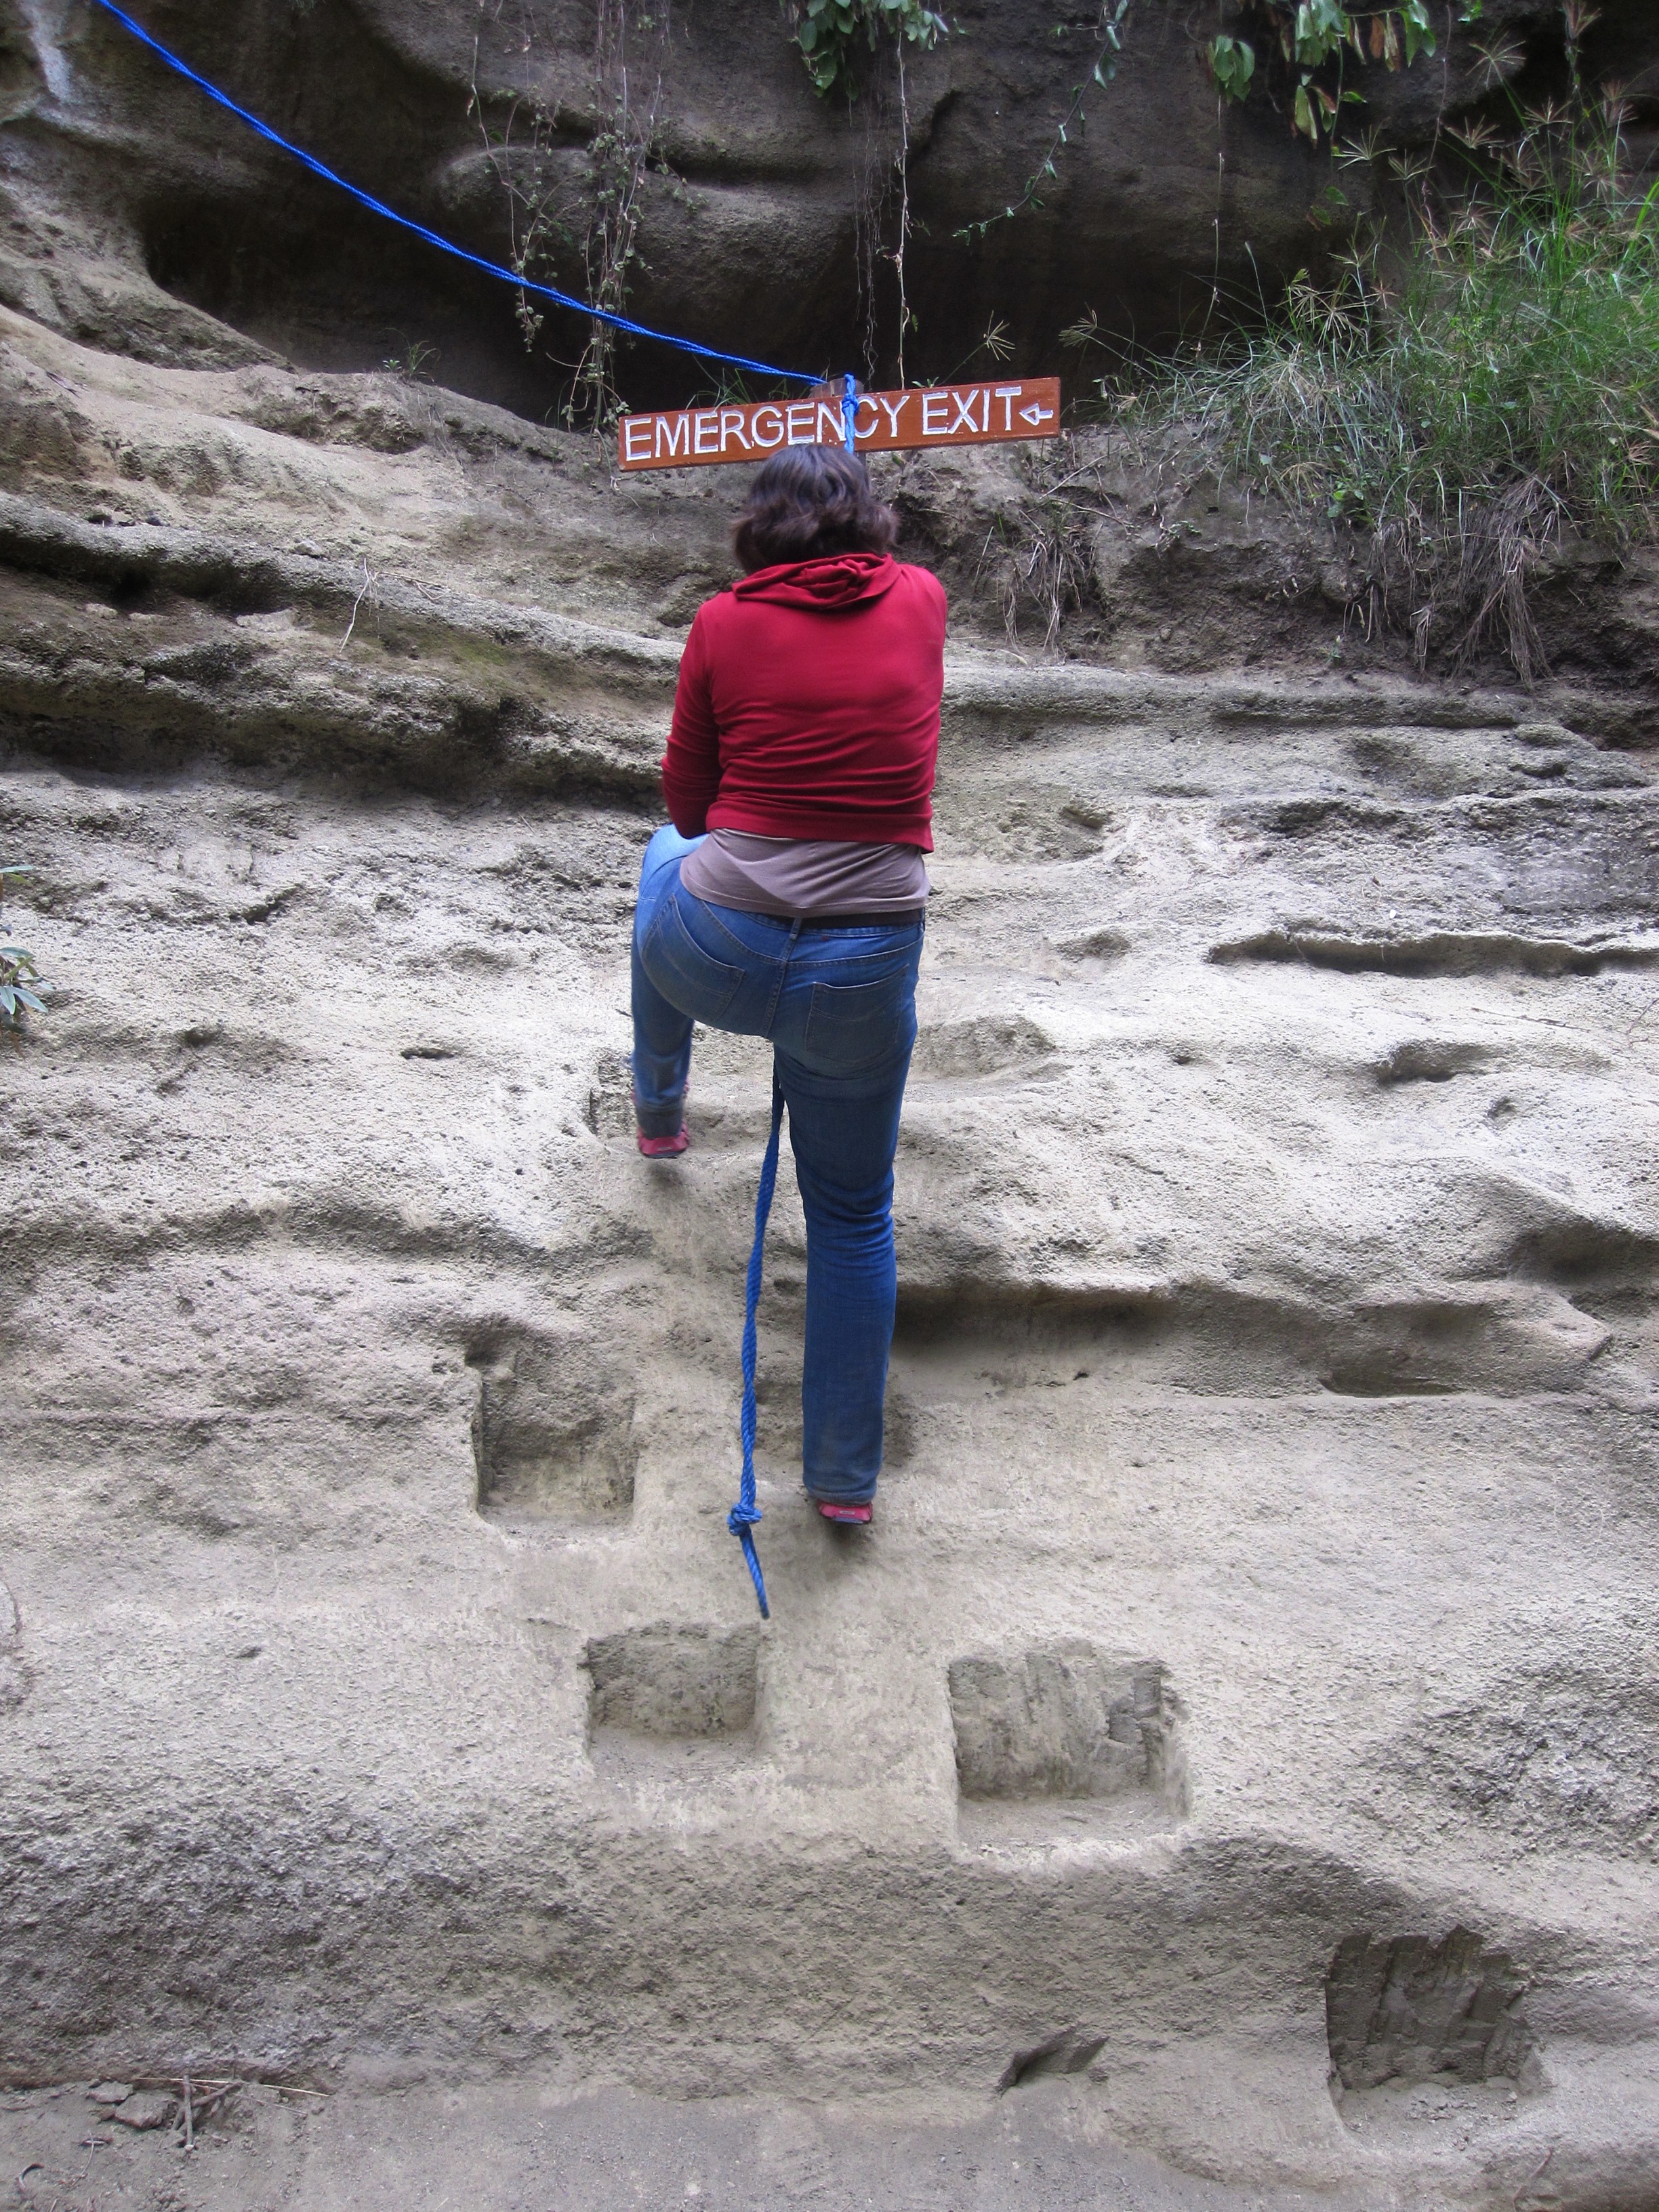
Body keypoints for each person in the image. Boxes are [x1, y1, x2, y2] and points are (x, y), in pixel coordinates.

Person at [630, 442, 946, 1528]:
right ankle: (844, 1485)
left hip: (719, 951)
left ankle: (660, 1108)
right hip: (862, 968)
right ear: (872, 518)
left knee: (656, 859)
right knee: (854, 1215)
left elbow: (684, 802)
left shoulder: (722, 622)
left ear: (756, 525)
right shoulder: (923, 601)